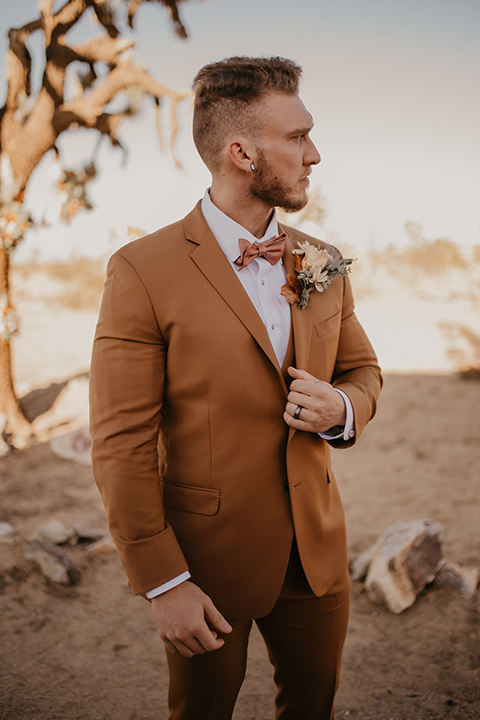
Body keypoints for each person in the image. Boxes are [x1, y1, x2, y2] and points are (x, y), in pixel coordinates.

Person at [89, 55, 382, 720]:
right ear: (242, 153)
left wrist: (342, 407)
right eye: (298, 137)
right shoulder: (140, 270)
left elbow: (363, 372)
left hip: (317, 556)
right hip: (204, 565)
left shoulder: (322, 261)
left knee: (313, 706)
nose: (315, 154)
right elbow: (120, 443)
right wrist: (164, 582)